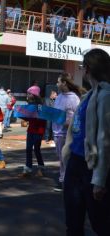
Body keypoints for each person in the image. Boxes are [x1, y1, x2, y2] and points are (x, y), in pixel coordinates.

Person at [63, 48, 110, 235]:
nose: (82, 70)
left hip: (92, 168)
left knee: (101, 224)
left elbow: (105, 139)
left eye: (83, 66)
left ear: (89, 69)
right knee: (73, 222)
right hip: (76, 164)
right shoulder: (88, 95)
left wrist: (99, 180)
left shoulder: (106, 95)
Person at [52, 73, 81, 192]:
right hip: (57, 132)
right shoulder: (59, 97)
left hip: (67, 134)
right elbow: (56, 112)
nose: (57, 84)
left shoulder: (74, 98)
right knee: (61, 158)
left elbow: (78, 117)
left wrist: (68, 123)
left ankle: (65, 181)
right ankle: (66, 180)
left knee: (66, 158)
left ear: (64, 83)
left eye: (58, 82)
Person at [19, 85, 46, 177]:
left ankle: (41, 168)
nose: (27, 95)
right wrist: (20, 114)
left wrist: (35, 115)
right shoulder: (29, 105)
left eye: (29, 93)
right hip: (31, 130)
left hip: (39, 131)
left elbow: (43, 119)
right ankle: (28, 168)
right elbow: (28, 118)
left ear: (33, 95)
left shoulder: (40, 106)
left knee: (37, 149)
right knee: (28, 149)